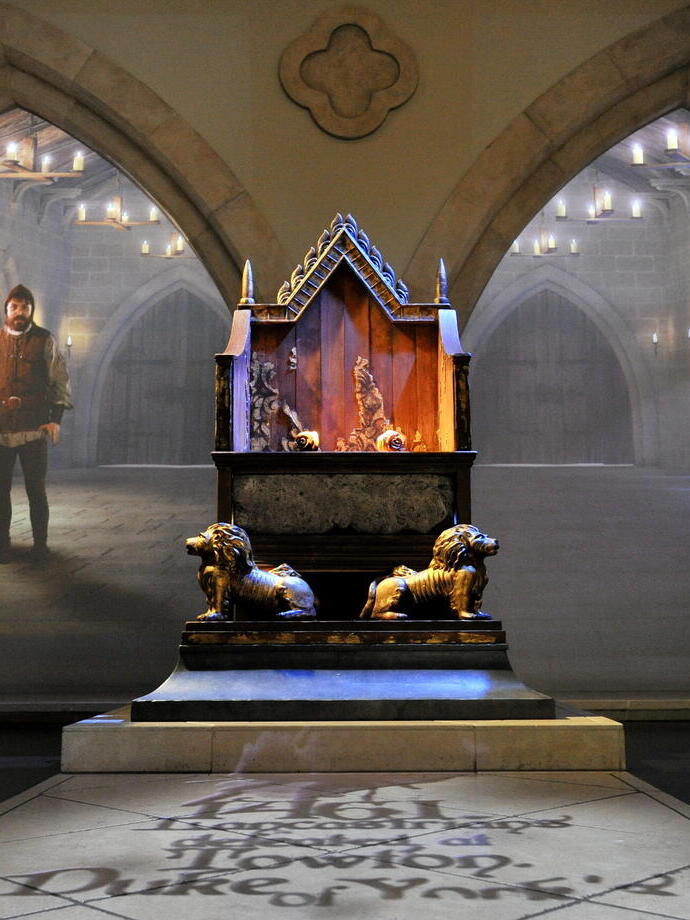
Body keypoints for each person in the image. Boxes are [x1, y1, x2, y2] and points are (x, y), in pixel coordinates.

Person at [0, 284, 72, 561]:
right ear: (7, 309)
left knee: (35, 489)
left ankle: (40, 544)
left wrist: (55, 420)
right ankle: (3, 545)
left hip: (34, 427)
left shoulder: (44, 340)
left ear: (31, 310)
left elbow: (60, 380)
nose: (20, 312)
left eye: (25, 307)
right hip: (2, 428)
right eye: (15, 307)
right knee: (0, 490)